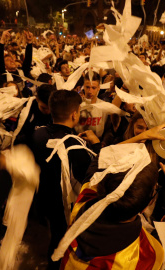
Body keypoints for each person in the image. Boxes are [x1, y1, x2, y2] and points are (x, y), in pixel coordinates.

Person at [32, 90, 100, 268]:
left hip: (41, 202)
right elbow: (93, 178)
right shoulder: (76, 147)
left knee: (53, 237)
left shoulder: (38, 134)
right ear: (75, 114)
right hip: (65, 210)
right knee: (61, 245)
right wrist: (97, 145)